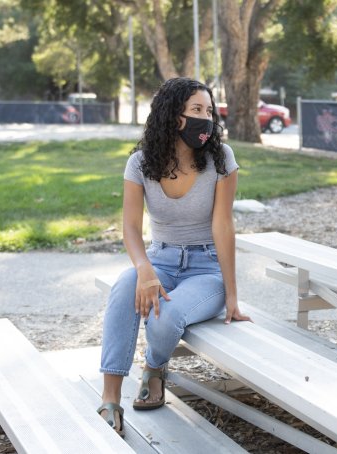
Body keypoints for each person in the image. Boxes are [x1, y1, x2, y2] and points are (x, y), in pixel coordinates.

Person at [97, 77, 248, 436]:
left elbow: (223, 227)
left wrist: (231, 295)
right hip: (160, 259)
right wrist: (144, 268)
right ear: (172, 115)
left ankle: (153, 367)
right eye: (196, 109)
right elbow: (131, 228)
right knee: (124, 288)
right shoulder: (140, 163)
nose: (205, 119)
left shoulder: (221, 159)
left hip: (205, 267)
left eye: (209, 111)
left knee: (165, 321)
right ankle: (110, 399)